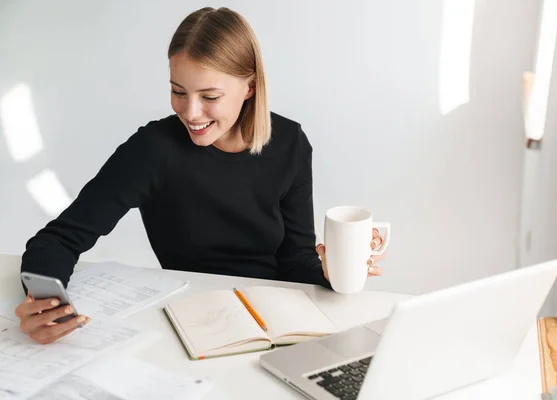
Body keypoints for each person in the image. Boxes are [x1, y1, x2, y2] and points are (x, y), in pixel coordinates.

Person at [14, 7, 387, 345]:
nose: (190, 113)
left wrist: (332, 271)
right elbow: (58, 240)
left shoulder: (289, 143)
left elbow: (294, 260)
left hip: (278, 319)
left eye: (209, 96)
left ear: (250, 87)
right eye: (178, 92)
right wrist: (44, 304)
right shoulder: (154, 150)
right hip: (194, 320)